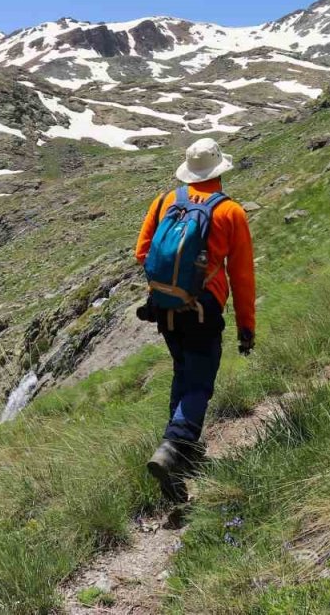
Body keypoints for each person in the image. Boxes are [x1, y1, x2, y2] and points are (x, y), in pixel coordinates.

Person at [135, 138, 256, 502]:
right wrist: (246, 326)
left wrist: (174, 283)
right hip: (204, 308)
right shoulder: (230, 212)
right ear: (220, 170)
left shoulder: (165, 201)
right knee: (200, 383)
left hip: (166, 308)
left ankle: (181, 456)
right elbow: (242, 275)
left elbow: (142, 252)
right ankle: (174, 446)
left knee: (183, 372)